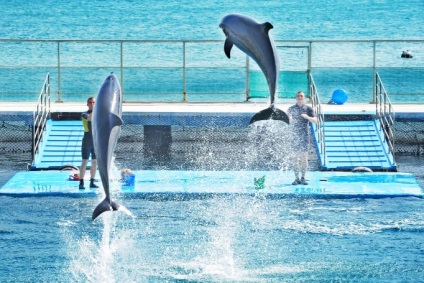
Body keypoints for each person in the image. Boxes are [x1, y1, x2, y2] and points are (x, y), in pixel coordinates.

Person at [287, 91, 317, 185]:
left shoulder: (308, 108)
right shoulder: (291, 108)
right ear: (296, 97)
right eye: (298, 96)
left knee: (304, 157)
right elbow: (286, 120)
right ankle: (296, 178)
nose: (300, 97)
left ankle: (303, 177)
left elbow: (316, 121)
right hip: (295, 135)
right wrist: (289, 119)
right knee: (295, 158)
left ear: (304, 98)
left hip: (304, 135)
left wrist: (307, 117)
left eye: (301, 96)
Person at [79, 97, 99, 190]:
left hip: (95, 142)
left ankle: (92, 182)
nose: (92, 104)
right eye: (90, 103)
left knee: (94, 163)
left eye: (94, 103)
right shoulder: (84, 114)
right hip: (87, 141)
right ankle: (81, 182)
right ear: (87, 104)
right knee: (84, 162)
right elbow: (90, 118)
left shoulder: (98, 114)